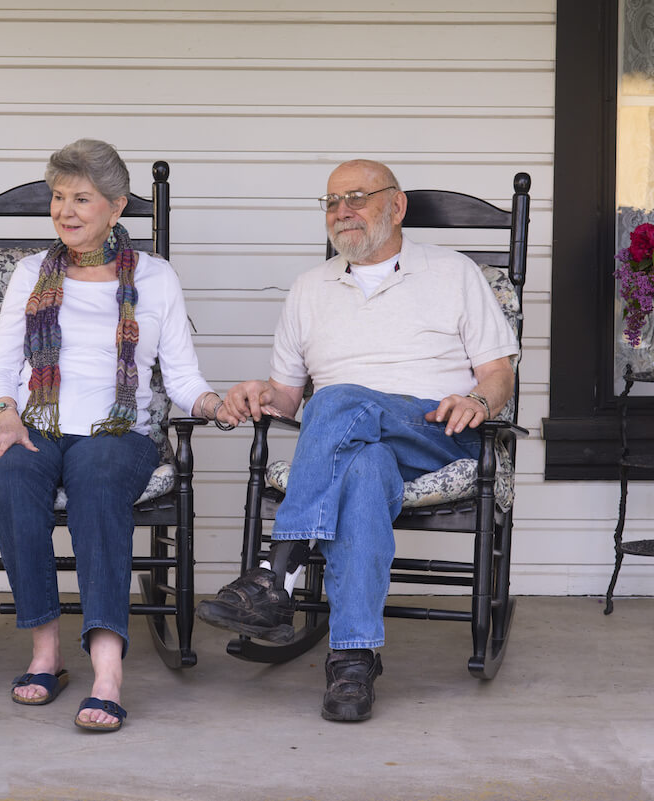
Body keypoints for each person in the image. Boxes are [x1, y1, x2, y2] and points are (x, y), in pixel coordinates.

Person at [196, 159, 518, 722]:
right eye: (330, 201)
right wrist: (257, 393)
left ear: (396, 206)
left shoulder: (455, 273)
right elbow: (289, 399)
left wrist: (480, 402)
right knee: (364, 470)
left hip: (438, 431)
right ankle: (352, 660)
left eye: (357, 197)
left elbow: (498, 373)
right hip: (351, 443)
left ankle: (280, 574)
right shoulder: (308, 289)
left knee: (339, 399)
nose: (341, 211)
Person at [0, 139, 224, 732]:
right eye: (58, 198)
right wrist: (7, 419)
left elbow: (182, 377)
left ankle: (107, 671)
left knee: (98, 477)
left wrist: (217, 405)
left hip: (119, 433)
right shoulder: (30, 273)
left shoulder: (157, 279)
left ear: (116, 208)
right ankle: (45, 653)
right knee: (9, 477)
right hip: (33, 424)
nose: (65, 210)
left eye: (81, 198)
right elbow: (1, 366)